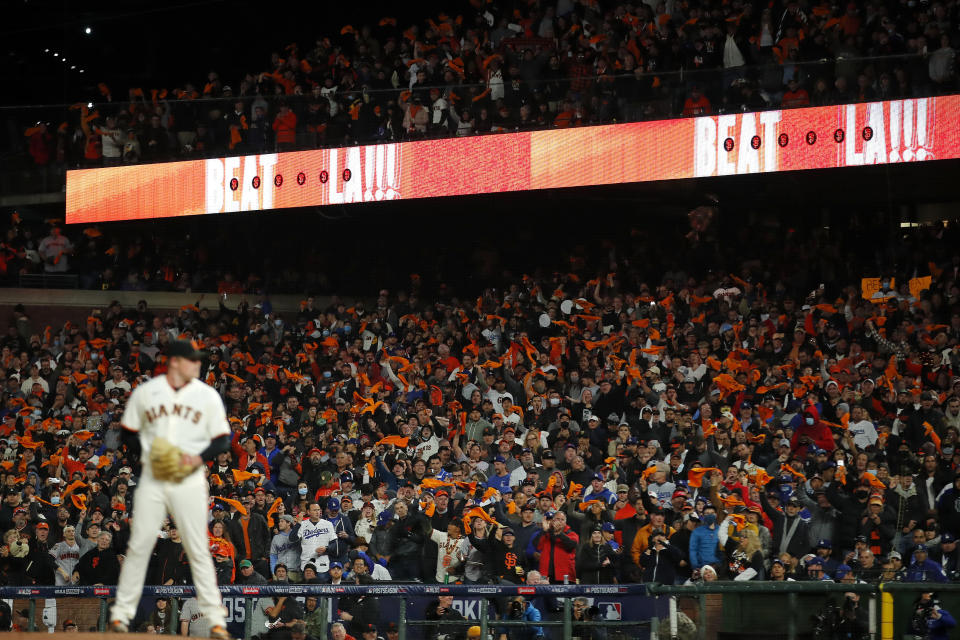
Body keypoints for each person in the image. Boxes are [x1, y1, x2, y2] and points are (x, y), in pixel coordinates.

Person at [108, 340, 232, 639]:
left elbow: (223, 439)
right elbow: (127, 433)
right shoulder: (147, 393)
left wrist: (199, 457)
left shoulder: (206, 395)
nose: (196, 365)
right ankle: (121, 615)